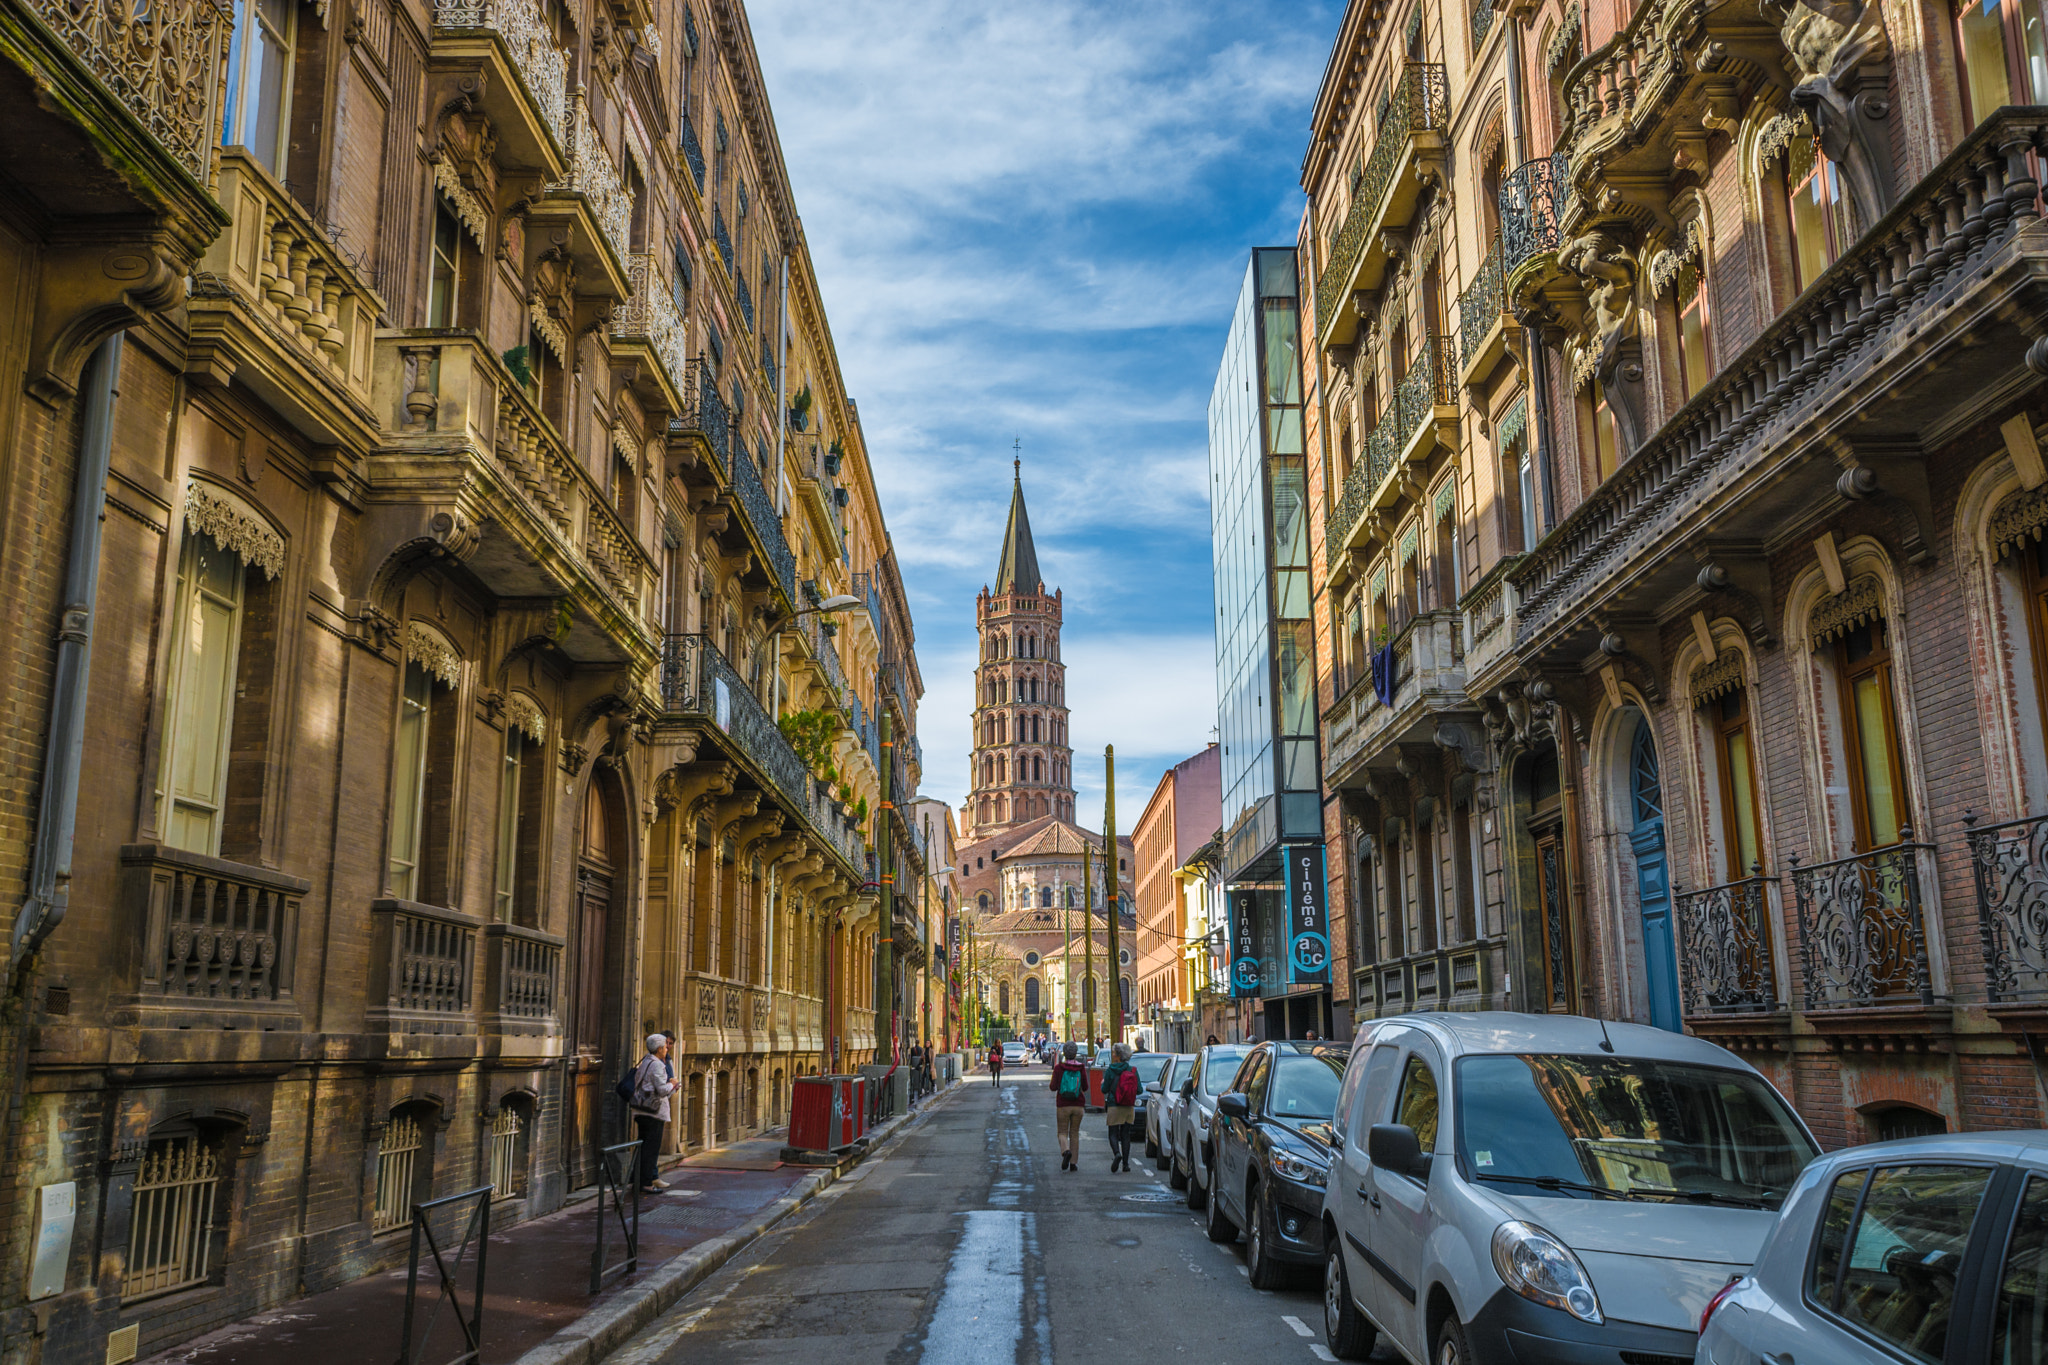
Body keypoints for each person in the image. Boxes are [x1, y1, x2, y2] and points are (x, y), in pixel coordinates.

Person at [629, 1034, 678, 1191]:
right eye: (665, 1046)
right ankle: (646, 1183)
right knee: (651, 1148)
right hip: (653, 1112)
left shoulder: (646, 1061)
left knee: (643, 1146)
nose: (666, 1049)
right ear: (659, 1049)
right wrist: (673, 1084)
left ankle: (640, 1179)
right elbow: (661, 1090)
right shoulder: (657, 1065)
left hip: (641, 1110)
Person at [1099, 1042, 1139, 1172]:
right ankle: (1126, 1165)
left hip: (1113, 1105)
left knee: (1113, 1133)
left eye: (1113, 1053)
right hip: (1128, 1107)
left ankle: (1117, 1153)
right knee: (1126, 1135)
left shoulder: (1111, 1070)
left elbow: (1104, 1090)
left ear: (1117, 1056)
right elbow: (1139, 1090)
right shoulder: (1132, 1070)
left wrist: (1104, 1084)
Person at [1050, 1041, 1088, 1170]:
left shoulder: (1059, 1068)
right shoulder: (1081, 1068)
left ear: (1064, 1053)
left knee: (1062, 1132)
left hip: (1063, 1105)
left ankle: (1066, 1151)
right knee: (1074, 1133)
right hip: (1078, 1105)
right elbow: (1086, 1087)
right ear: (1076, 1053)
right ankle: (1073, 1163)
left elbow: (1052, 1087)